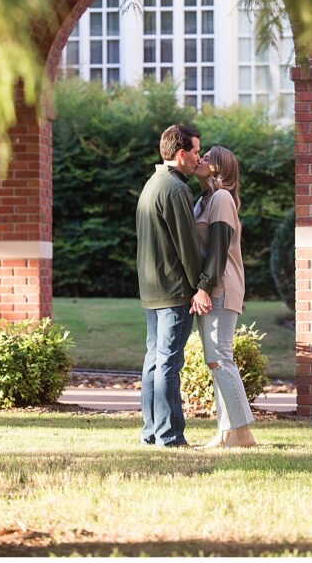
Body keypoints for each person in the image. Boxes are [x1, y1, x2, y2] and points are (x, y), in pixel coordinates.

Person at [135, 124, 213, 447]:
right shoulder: (176, 190)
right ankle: (170, 436)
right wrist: (202, 284)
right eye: (195, 151)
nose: (198, 157)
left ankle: (151, 432)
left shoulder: (152, 184)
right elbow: (188, 246)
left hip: (152, 291)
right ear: (180, 154)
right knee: (168, 362)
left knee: (154, 360)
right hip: (174, 291)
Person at [190, 145, 257, 448]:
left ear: (220, 168)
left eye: (207, 158)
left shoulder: (222, 198)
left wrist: (204, 287)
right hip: (211, 287)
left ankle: (243, 433)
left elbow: (218, 248)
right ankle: (225, 433)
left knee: (220, 358)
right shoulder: (204, 200)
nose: (200, 159)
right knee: (215, 360)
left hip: (221, 287)